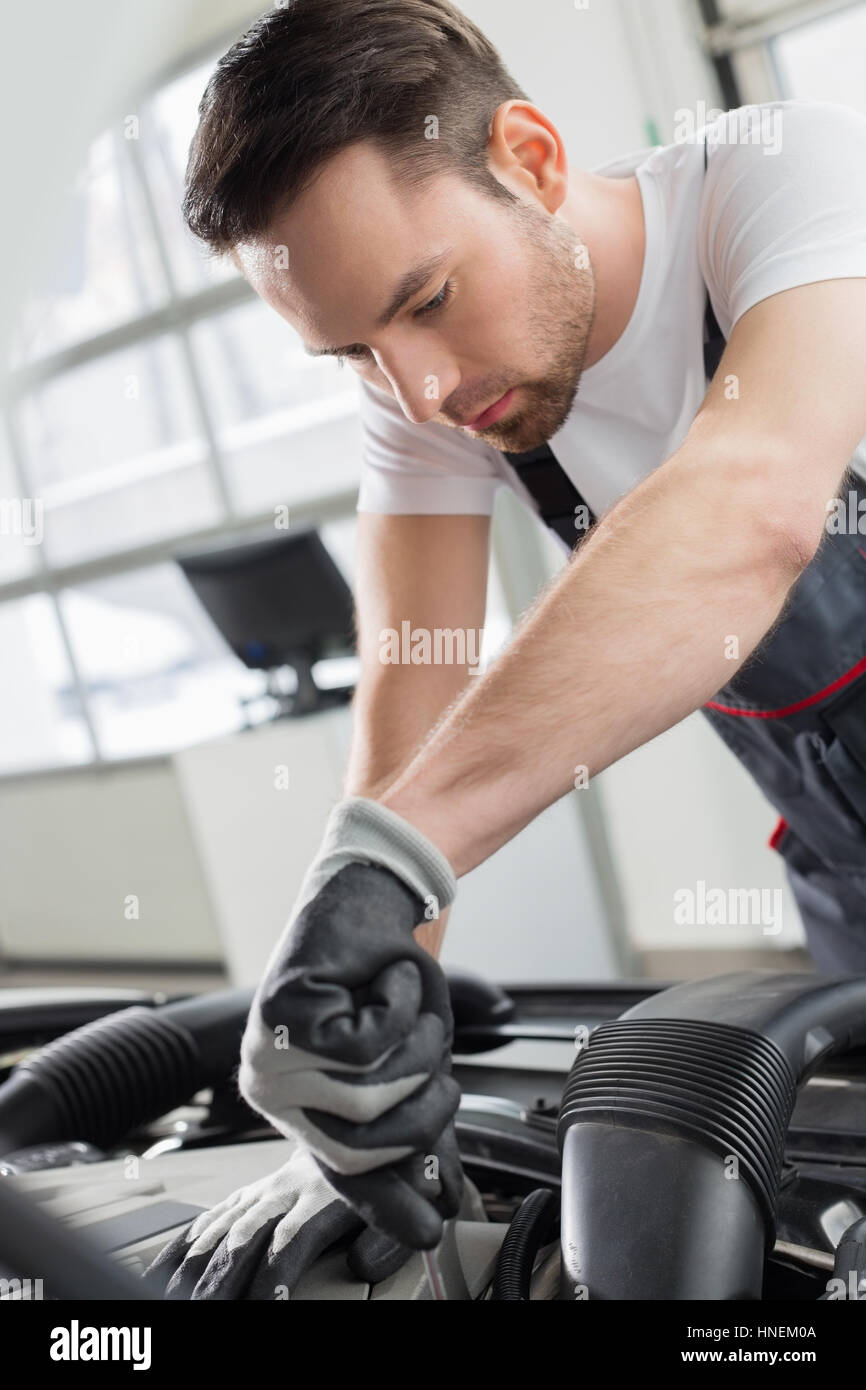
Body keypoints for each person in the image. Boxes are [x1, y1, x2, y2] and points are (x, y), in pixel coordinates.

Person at [146, 0, 866, 1295]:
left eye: (424, 300)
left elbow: (748, 508)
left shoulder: (776, 178)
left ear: (529, 157)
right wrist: (360, 1069)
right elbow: (408, 704)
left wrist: (385, 861)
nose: (414, 387)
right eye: (354, 350)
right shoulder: (439, 394)